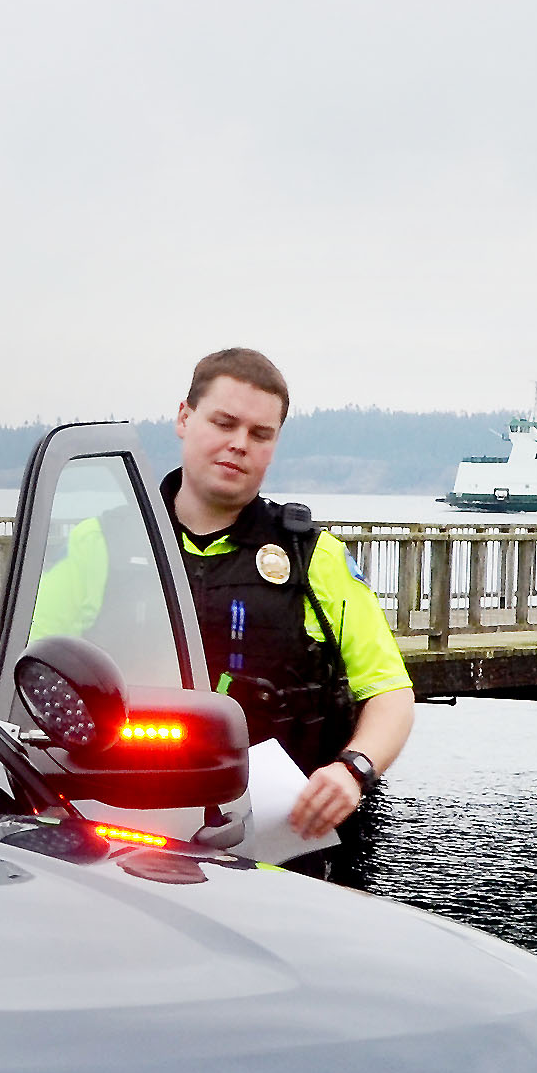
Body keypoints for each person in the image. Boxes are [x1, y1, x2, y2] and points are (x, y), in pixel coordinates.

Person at [163, 347, 410, 871]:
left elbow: (391, 693)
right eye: (224, 423)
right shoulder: (111, 544)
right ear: (184, 417)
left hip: (283, 856)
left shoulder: (312, 557)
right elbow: (35, 683)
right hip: (134, 838)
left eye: (260, 434)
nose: (239, 445)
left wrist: (354, 770)